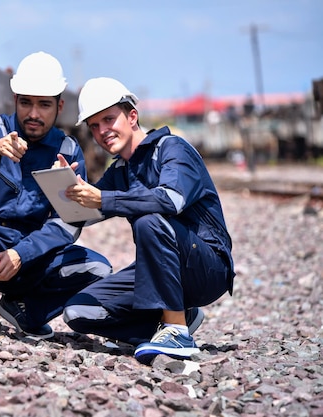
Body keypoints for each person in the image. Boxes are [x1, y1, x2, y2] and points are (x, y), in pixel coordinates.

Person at [0, 52, 112, 339]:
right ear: (14, 100)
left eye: (44, 105)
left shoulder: (67, 150)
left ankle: (26, 309)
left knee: (97, 268)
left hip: (31, 260)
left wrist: (20, 254)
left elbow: (69, 224)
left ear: (59, 106)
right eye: (26, 102)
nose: (34, 114)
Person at [58, 77, 235, 363]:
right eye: (94, 126)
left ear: (132, 116)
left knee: (148, 219)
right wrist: (64, 188)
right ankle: (175, 320)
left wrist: (104, 199)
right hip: (163, 270)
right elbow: (84, 216)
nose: (102, 131)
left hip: (207, 267)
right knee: (78, 312)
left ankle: (176, 331)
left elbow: (170, 200)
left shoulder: (172, 149)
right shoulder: (121, 170)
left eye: (108, 119)